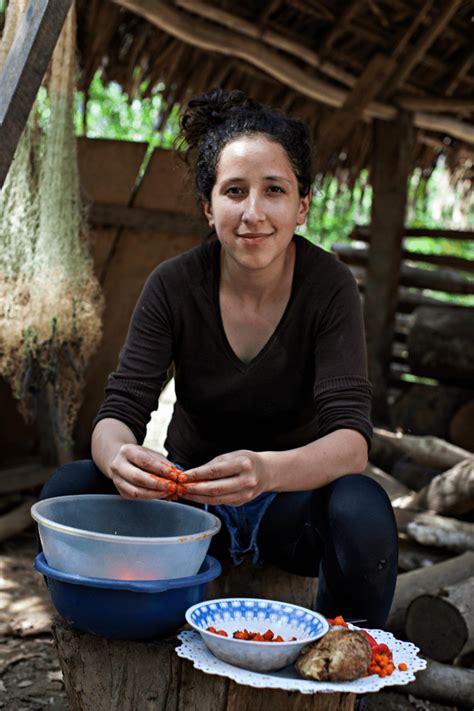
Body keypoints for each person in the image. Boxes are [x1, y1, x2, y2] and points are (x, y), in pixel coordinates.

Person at [40, 88, 398, 628]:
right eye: (234, 191)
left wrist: (266, 470)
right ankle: (119, 636)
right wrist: (119, 459)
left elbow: (350, 443)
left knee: (362, 508)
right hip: (186, 507)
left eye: (273, 190)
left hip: (289, 508)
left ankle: (343, 669)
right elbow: (121, 409)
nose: (253, 212)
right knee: (70, 486)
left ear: (302, 206)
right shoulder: (173, 284)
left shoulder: (330, 287)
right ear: (209, 208)